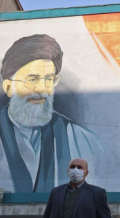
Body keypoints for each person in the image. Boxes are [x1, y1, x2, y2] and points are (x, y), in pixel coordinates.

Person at [0, 35, 101, 193]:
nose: (42, 89)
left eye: (48, 80)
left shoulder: (80, 138)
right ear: (8, 87)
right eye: (32, 80)